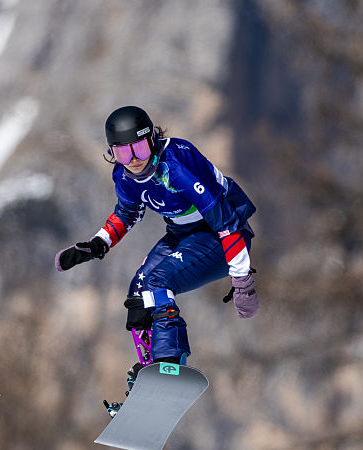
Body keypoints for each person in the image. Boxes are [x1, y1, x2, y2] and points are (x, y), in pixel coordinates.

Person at [55, 105, 258, 409]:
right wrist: (97, 244)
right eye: (124, 153)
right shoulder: (124, 177)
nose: (134, 159)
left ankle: (168, 365)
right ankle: (152, 372)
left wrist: (242, 279)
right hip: (183, 236)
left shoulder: (177, 163)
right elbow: (127, 212)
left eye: (139, 147)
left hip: (220, 236)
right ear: (113, 153)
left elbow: (224, 220)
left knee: (157, 281)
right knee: (138, 292)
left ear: (152, 140)